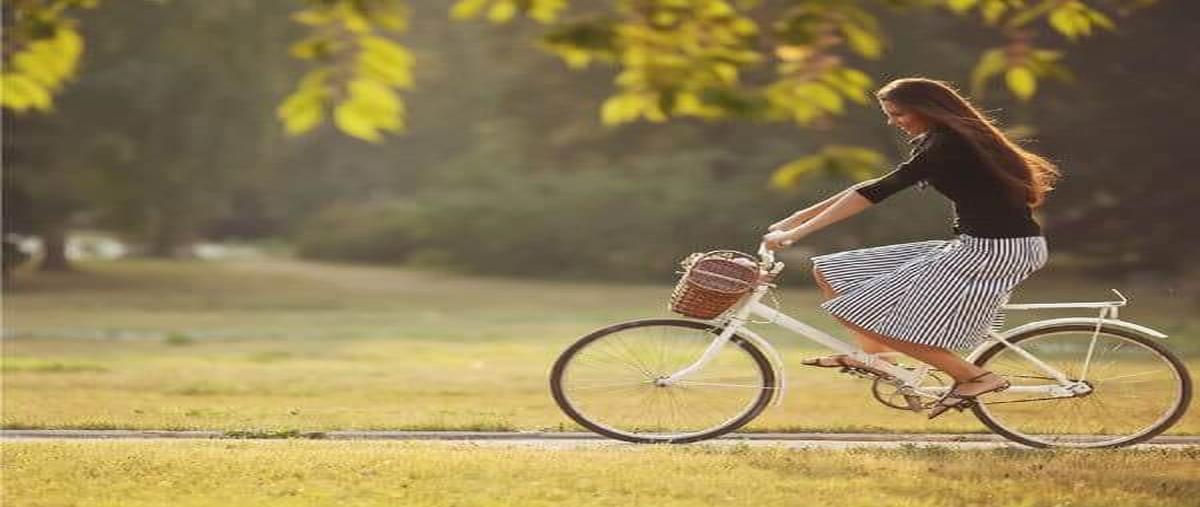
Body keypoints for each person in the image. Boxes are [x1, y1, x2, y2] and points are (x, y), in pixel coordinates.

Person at [761, 77, 1058, 419]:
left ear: (925, 109)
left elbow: (876, 193)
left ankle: (974, 377)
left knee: (861, 312)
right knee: (830, 270)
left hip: (994, 252)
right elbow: (872, 185)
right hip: (981, 244)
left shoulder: (950, 145)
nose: (893, 121)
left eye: (898, 113)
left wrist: (796, 234)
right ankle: (879, 360)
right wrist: (799, 217)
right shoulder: (939, 141)